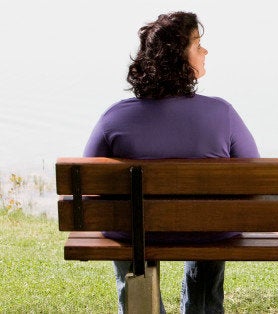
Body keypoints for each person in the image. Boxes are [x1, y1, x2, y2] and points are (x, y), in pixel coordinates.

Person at [83, 11, 259, 313]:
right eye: (197, 44)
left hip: (135, 232)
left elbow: (87, 189)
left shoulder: (115, 117)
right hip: (208, 231)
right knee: (211, 224)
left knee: (128, 224)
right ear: (179, 56)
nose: (205, 51)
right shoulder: (221, 114)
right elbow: (254, 179)